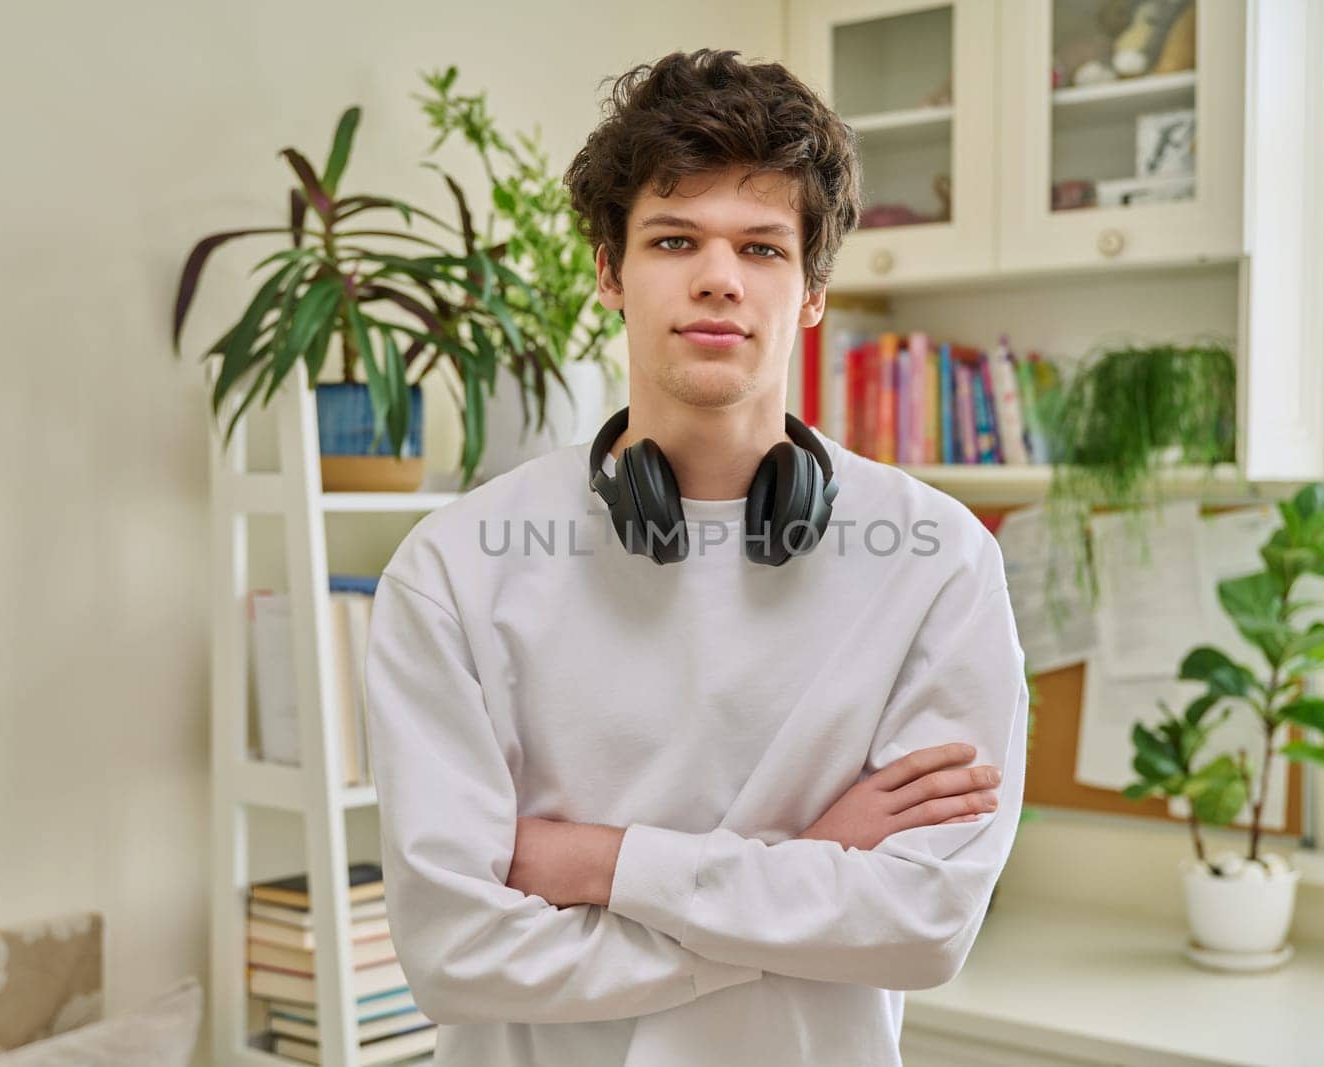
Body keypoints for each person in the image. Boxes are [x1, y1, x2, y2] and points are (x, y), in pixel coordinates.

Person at [364, 48, 1028, 1067]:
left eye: (762, 248)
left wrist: (601, 862)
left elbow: (924, 924)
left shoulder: (937, 560)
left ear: (810, 290)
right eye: (675, 238)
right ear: (608, 272)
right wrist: (813, 867)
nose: (719, 277)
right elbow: (457, 953)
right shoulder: (453, 567)